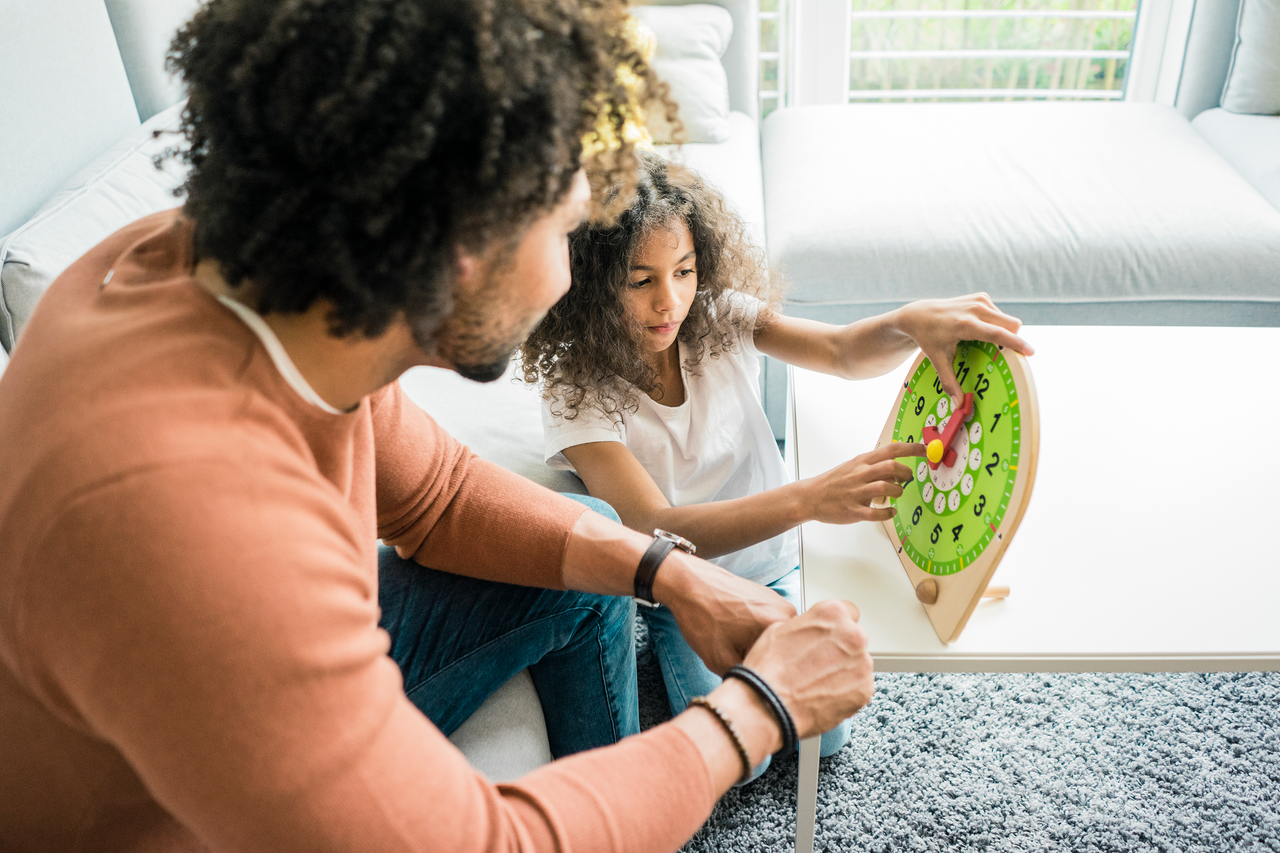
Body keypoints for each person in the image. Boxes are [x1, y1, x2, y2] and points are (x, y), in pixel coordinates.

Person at [0, 1, 878, 851]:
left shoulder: (271, 291)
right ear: (466, 244)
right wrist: (759, 706)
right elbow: (486, 839)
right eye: (566, 230)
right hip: (182, 814)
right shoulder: (195, 526)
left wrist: (672, 575)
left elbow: (440, 498)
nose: (572, 280)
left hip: (208, 688)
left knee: (599, 541)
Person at [522, 154, 1033, 776]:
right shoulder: (577, 390)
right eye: (640, 281)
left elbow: (841, 352)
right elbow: (654, 524)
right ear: (592, 281)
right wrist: (809, 500)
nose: (670, 301)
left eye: (684, 271)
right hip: (689, 586)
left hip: (772, 565)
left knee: (824, 734)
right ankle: (667, 642)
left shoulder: (716, 316)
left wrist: (907, 321)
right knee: (753, 757)